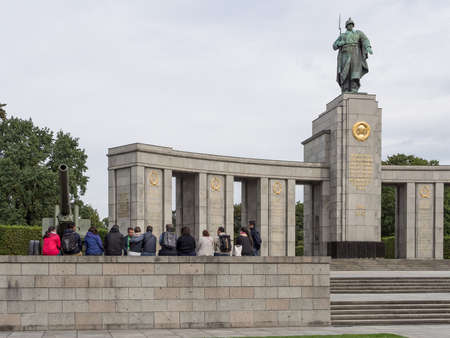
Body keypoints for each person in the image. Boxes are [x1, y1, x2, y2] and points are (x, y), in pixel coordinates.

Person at [333, 17, 373, 93]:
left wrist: (368, 47)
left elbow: (365, 40)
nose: (350, 26)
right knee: (345, 71)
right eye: (348, 25)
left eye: (351, 24)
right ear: (346, 26)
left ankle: (354, 88)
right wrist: (339, 43)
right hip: (345, 53)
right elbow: (334, 46)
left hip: (356, 53)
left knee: (355, 71)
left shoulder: (358, 33)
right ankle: (345, 88)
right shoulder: (342, 36)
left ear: (353, 25)